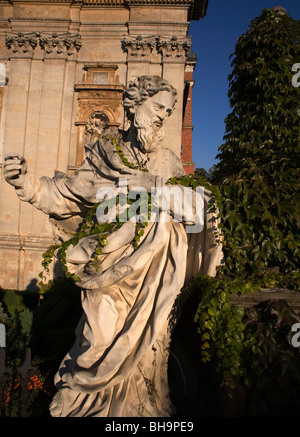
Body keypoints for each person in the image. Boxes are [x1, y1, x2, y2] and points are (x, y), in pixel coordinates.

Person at [4, 76, 223, 417]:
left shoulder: (165, 161)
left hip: (152, 280)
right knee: (98, 341)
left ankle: (138, 409)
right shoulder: (105, 153)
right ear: (135, 107)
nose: (163, 117)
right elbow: (65, 197)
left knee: (146, 351)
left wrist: (155, 188)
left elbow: (197, 213)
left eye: (168, 111)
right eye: (157, 108)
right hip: (107, 271)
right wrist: (27, 184)